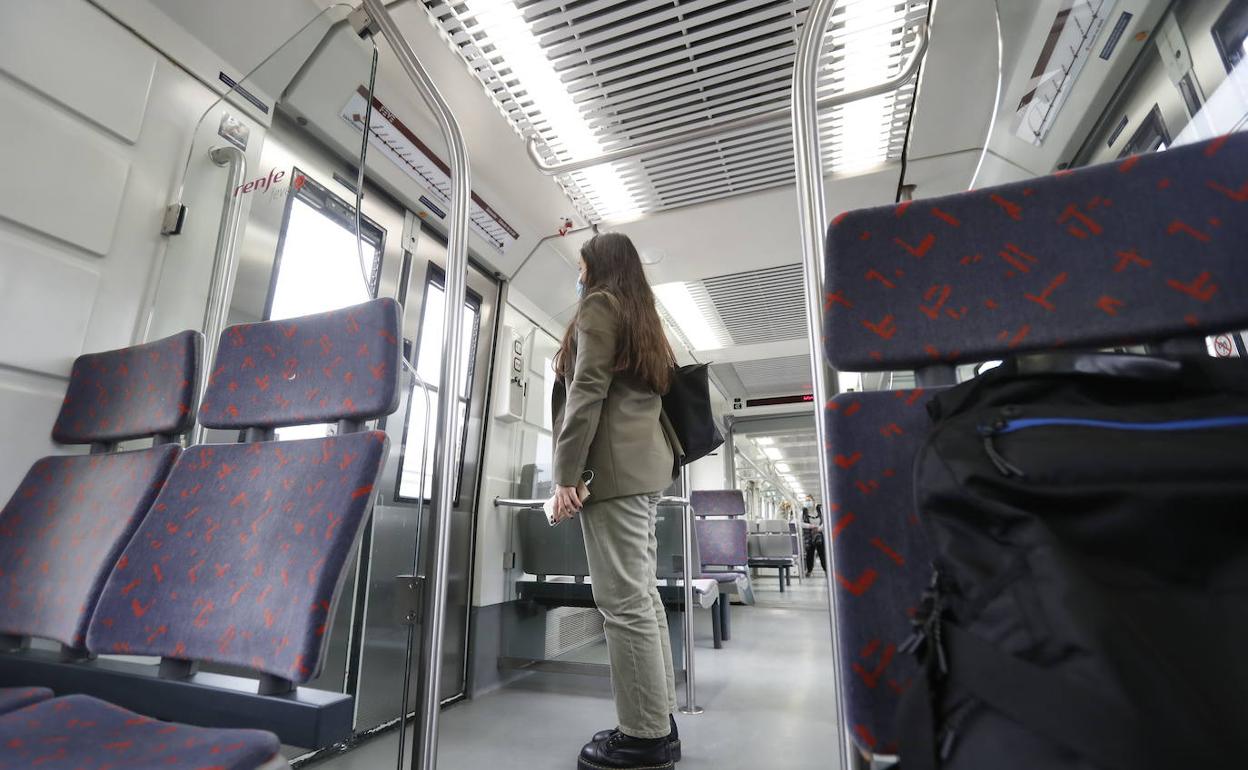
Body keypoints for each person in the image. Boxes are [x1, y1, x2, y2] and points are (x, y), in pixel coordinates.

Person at [551, 232, 683, 770]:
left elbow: (587, 391)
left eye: (581, 262)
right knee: (641, 600)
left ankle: (644, 738)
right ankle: (658, 719)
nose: (577, 271)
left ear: (598, 265)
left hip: (615, 474)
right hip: (644, 470)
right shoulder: (640, 313)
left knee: (623, 605)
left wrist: (565, 475)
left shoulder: (600, 305)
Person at [802, 503, 827, 577]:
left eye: (809, 500)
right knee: (809, 554)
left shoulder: (820, 511)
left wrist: (818, 529)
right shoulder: (803, 512)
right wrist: (810, 526)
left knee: (822, 553)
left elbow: (825, 521)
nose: (808, 502)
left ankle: (826, 570)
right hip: (809, 536)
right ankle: (809, 570)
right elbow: (800, 523)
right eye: (806, 500)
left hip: (819, 534)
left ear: (813, 501)